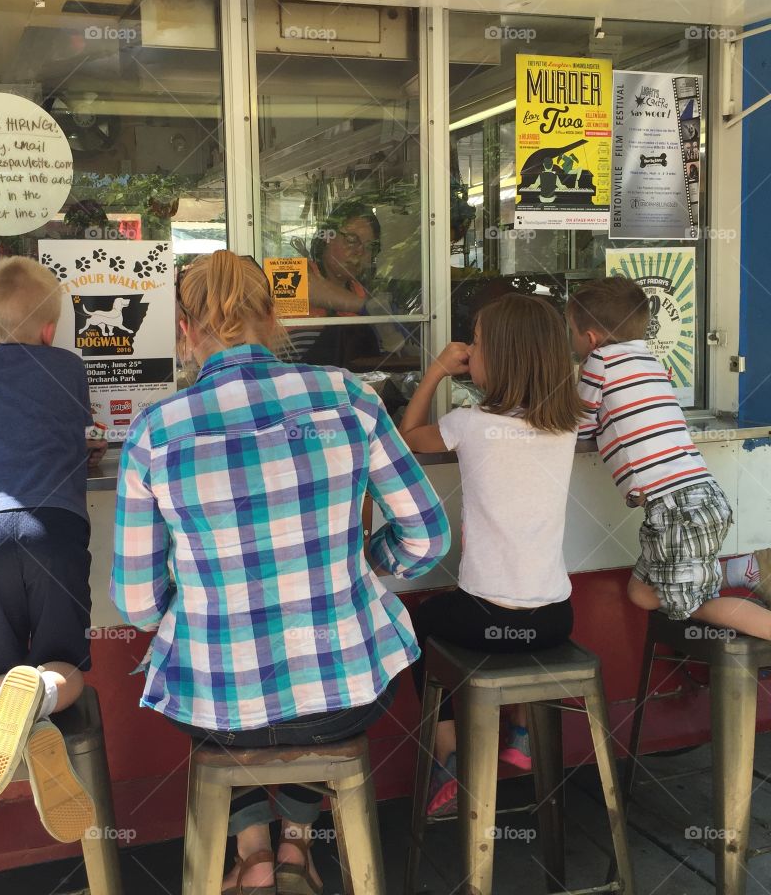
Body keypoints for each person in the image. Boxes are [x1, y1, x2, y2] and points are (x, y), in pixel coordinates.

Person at [111, 248, 451, 895]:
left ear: (185, 331)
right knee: (313, 692)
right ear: (273, 317)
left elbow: (136, 602)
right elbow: (427, 536)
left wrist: (196, 600)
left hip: (219, 707)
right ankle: (297, 845)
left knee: (215, 688)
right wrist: (365, 564)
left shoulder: (157, 433)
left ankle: (252, 851)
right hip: (348, 691)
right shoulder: (348, 398)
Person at [399, 293, 583, 816]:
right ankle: (522, 733)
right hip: (556, 619)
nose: (467, 350)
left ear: (496, 357)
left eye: (475, 342)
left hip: (483, 620)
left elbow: (410, 437)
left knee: (419, 623)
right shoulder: (566, 423)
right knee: (510, 625)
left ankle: (450, 755)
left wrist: (435, 370)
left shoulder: (470, 423)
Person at [0, 256, 106, 842]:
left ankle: (14, 709)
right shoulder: (69, 367)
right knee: (66, 668)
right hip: (53, 529)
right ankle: (40, 701)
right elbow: (65, 434)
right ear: (50, 331)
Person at [567, 276, 771, 637]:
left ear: (591, 338)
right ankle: (739, 570)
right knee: (643, 594)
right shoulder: (649, 358)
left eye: (571, 331)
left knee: (691, 606)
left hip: (677, 508)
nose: (570, 340)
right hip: (694, 499)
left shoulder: (598, 360)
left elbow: (580, 427)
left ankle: (752, 596)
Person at [289, 201, 382, 365]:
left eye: (369, 246)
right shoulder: (300, 271)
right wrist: (368, 307)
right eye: (352, 240)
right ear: (327, 237)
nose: (360, 252)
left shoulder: (358, 290)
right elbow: (310, 287)